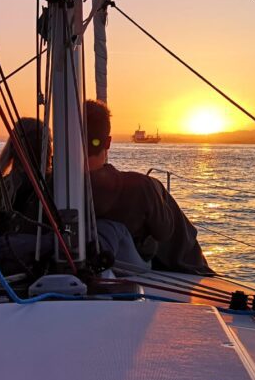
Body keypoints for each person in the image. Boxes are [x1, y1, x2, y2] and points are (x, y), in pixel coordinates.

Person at [85, 100, 213, 275]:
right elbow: (165, 232)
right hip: (131, 265)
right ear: (107, 142)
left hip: (92, 254)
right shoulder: (139, 187)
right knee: (157, 193)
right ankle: (197, 269)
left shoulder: (51, 187)